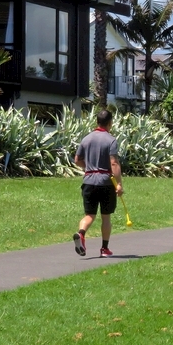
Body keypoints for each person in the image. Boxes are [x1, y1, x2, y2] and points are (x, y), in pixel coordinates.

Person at [73, 109, 124, 257]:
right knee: (106, 216)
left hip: (89, 182)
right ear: (110, 123)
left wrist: (89, 167)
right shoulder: (111, 140)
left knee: (89, 215)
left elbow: (77, 160)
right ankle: (104, 249)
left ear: (96, 122)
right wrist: (119, 184)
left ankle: (81, 234)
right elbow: (114, 163)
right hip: (106, 183)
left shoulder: (86, 138)